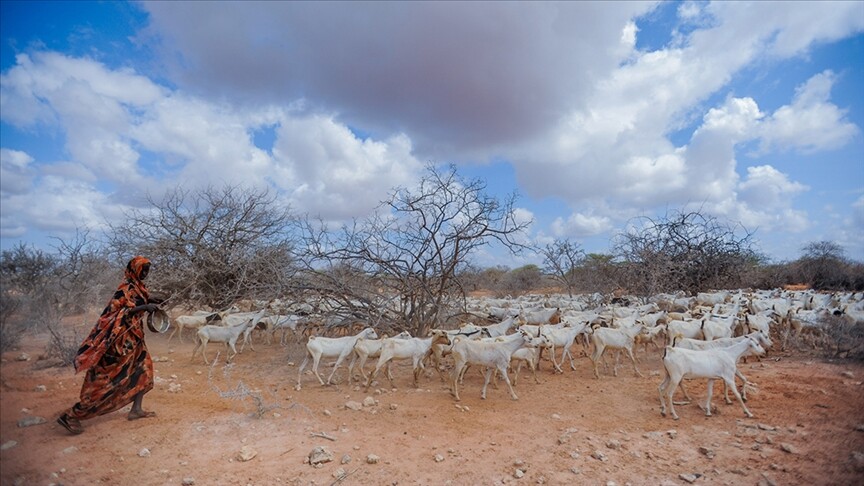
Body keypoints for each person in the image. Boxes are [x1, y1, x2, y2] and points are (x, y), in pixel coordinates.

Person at [57, 256, 161, 435]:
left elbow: (138, 300)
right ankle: (72, 415)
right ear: (135, 270)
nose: (145, 274)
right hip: (119, 344)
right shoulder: (124, 289)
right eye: (143, 270)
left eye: (147, 271)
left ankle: (136, 409)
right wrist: (143, 308)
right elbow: (115, 312)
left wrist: (151, 300)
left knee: (144, 370)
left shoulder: (138, 288)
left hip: (134, 340)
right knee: (108, 382)